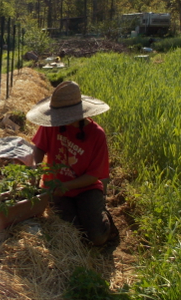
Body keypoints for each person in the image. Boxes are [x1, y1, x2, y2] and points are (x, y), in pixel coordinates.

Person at [26, 80, 117, 246]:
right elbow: (39, 148)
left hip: (86, 188)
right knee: (72, 233)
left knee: (97, 237)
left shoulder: (96, 135)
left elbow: (93, 175)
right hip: (56, 187)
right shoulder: (51, 125)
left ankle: (104, 219)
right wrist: (34, 171)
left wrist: (64, 187)